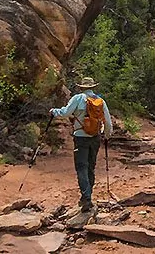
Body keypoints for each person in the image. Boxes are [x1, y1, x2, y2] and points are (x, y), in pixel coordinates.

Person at [49, 77, 113, 214]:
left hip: (80, 137)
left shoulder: (77, 98)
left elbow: (65, 113)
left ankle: (86, 197)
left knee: (81, 167)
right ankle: (87, 196)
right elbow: (108, 121)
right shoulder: (100, 101)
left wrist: (54, 112)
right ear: (92, 87)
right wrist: (107, 135)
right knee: (91, 167)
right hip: (95, 138)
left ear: (81, 87)